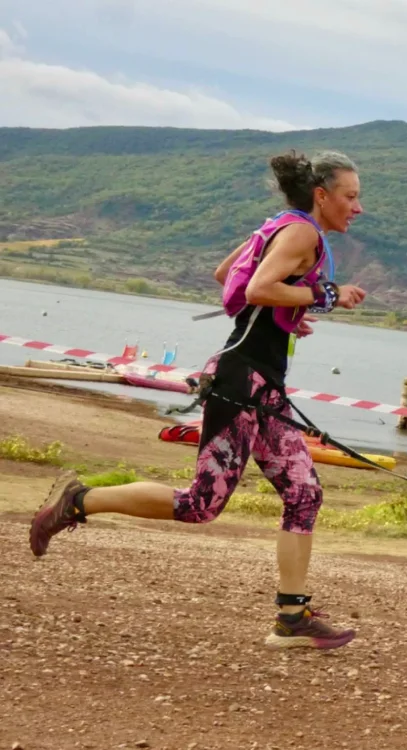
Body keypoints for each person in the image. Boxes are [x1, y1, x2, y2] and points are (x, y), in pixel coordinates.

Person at [28, 149, 367, 650]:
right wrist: (327, 296)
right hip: (241, 380)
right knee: (200, 504)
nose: (357, 207)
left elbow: (223, 275)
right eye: (350, 196)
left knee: (304, 493)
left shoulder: (281, 224)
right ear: (321, 196)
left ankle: (291, 619)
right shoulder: (302, 234)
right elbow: (256, 286)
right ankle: (78, 501)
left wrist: (288, 312)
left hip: (260, 382)